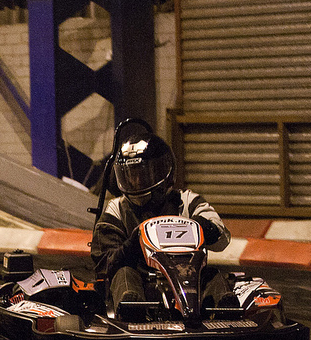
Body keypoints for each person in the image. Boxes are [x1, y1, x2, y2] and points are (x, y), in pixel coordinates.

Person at [90, 131, 231, 320]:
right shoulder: (116, 209)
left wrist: (202, 228)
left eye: (143, 174)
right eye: (131, 175)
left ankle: (226, 312)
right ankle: (132, 311)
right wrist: (132, 246)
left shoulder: (186, 201)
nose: (137, 181)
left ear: (162, 170)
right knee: (124, 273)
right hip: (141, 282)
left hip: (188, 277)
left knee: (211, 274)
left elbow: (221, 238)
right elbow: (103, 263)